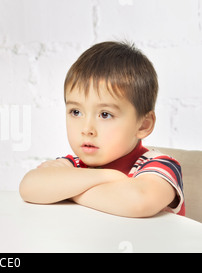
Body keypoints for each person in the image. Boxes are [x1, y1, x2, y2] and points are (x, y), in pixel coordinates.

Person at [19, 41, 184, 218]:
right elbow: (29, 186)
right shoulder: (75, 163)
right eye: (76, 112)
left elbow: (138, 202)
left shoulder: (160, 165)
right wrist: (110, 176)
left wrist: (63, 190)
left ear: (143, 125)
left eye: (105, 114)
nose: (87, 129)